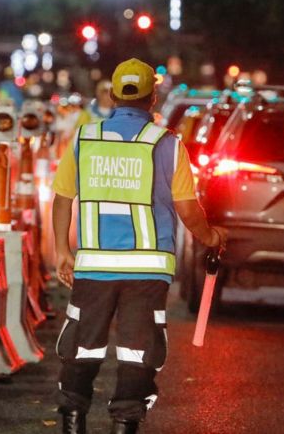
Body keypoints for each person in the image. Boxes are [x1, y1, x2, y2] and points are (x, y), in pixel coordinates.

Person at [50, 58, 228, 434]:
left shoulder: (85, 139)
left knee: (83, 345)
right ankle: (124, 425)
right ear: (152, 98)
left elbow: (63, 198)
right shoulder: (168, 145)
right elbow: (187, 209)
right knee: (137, 350)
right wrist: (211, 237)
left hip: (95, 267)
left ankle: (72, 421)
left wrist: (62, 250)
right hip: (148, 271)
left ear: (113, 96)